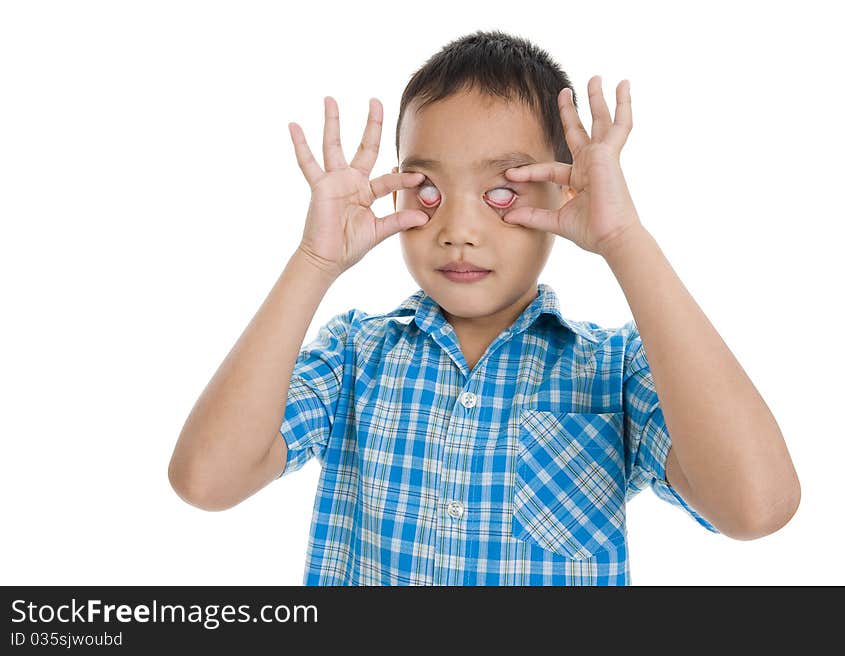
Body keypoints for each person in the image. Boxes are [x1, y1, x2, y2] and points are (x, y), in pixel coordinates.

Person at [168, 30, 800, 585]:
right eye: (427, 189)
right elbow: (206, 480)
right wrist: (313, 262)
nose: (458, 228)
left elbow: (756, 507)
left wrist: (624, 242)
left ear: (566, 188)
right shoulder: (354, 356)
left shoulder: (613, 369)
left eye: (502, 190)